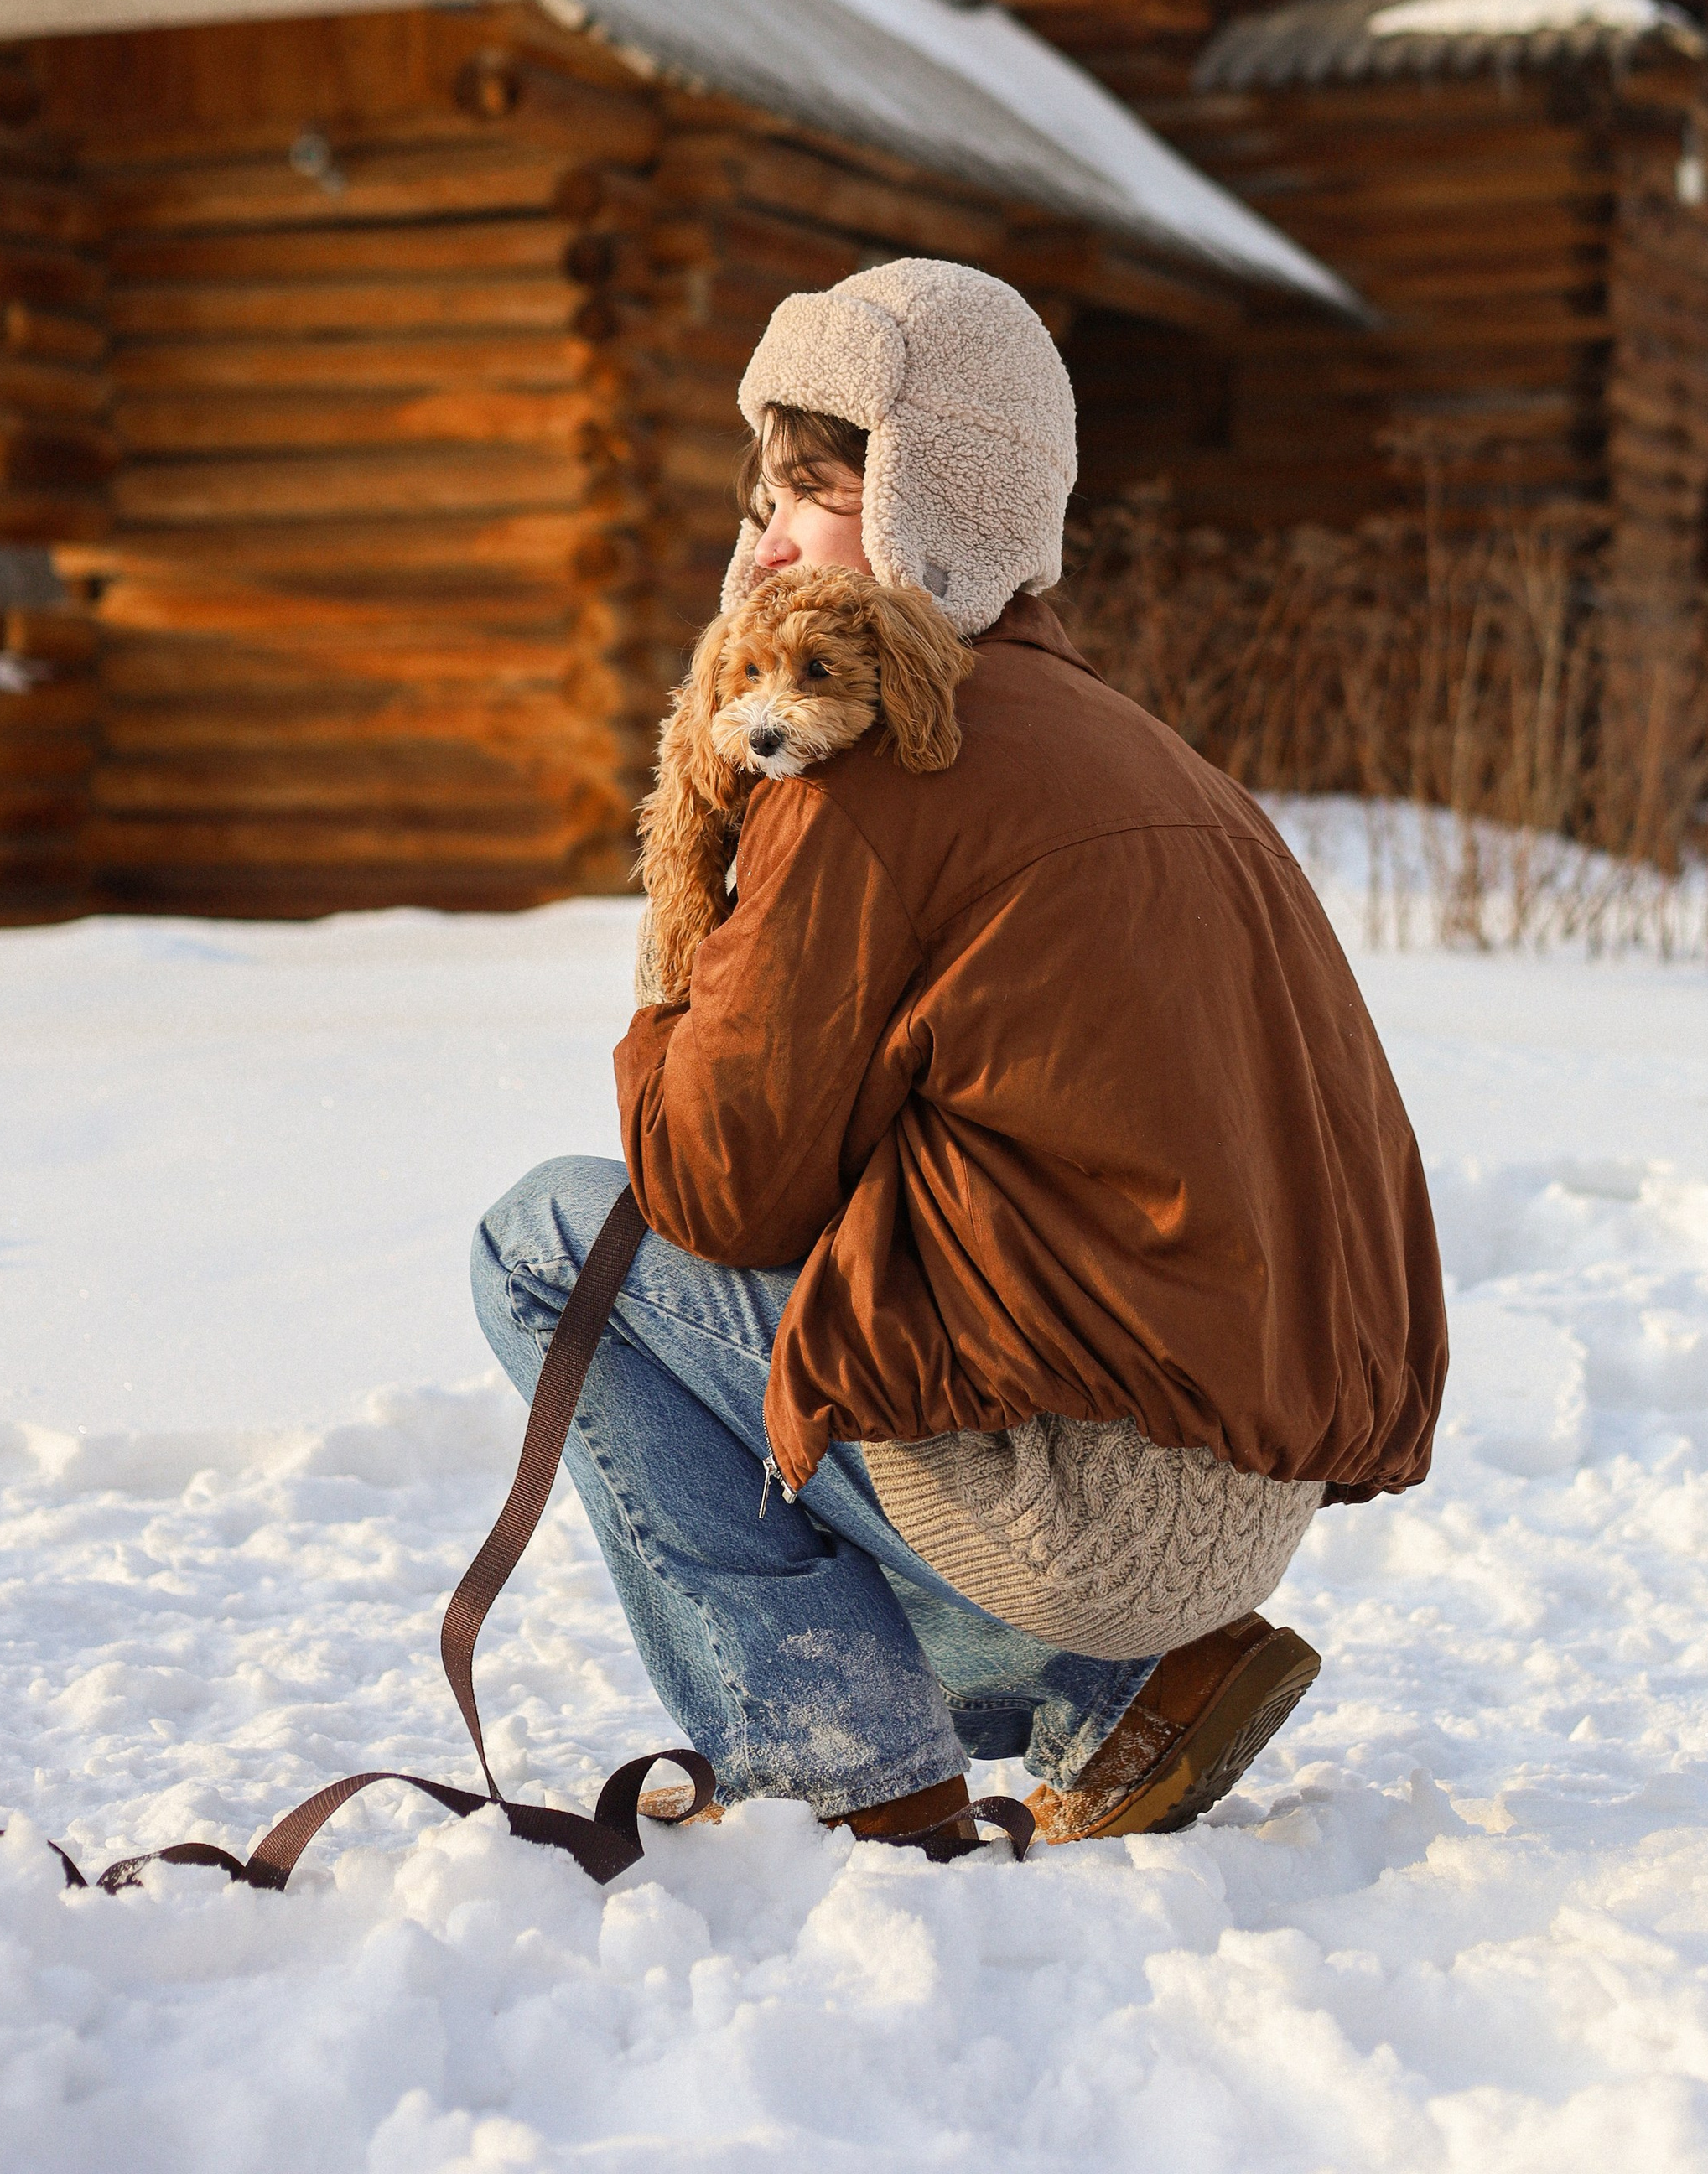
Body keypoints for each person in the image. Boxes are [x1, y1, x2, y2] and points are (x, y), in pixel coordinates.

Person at [473, 259, 1446, 1850]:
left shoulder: (879, 768)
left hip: (1067, 1504)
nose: (773, 538)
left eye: (822, 488)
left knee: (545, 1236)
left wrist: (682, 955)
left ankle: (840, 1758)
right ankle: (1129, 1696)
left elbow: (716, 1189)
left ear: (943, 495)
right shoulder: (1164, 763)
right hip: (1240, 1504)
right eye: (765, 489)